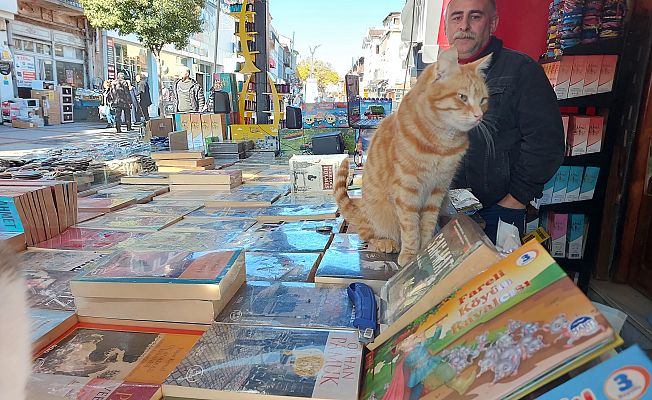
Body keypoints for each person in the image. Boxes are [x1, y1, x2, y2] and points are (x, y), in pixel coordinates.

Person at [445, 0, 565, 242]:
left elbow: (546, 144)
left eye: (475, 16)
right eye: (457, 17)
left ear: (493, 23)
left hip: (496, 211)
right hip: (445, 210)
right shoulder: (440, 74)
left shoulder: (521, 70)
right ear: (448, 25)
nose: (464, 25)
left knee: (494, 280)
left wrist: (516, 199)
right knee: (450, 279)